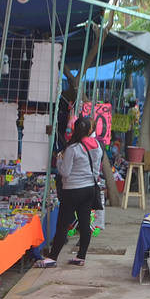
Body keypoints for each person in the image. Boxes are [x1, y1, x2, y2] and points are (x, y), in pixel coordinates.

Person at [36, 115, 102, 268]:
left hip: (72, 190)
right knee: (85, 223)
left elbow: (65, 172)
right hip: (89, 189)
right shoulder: (97, 146)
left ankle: (52, 258)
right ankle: (81, 257)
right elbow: (97, 169)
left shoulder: (73, 148)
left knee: (63, 225)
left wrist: (59, 160)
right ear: (90, 130)